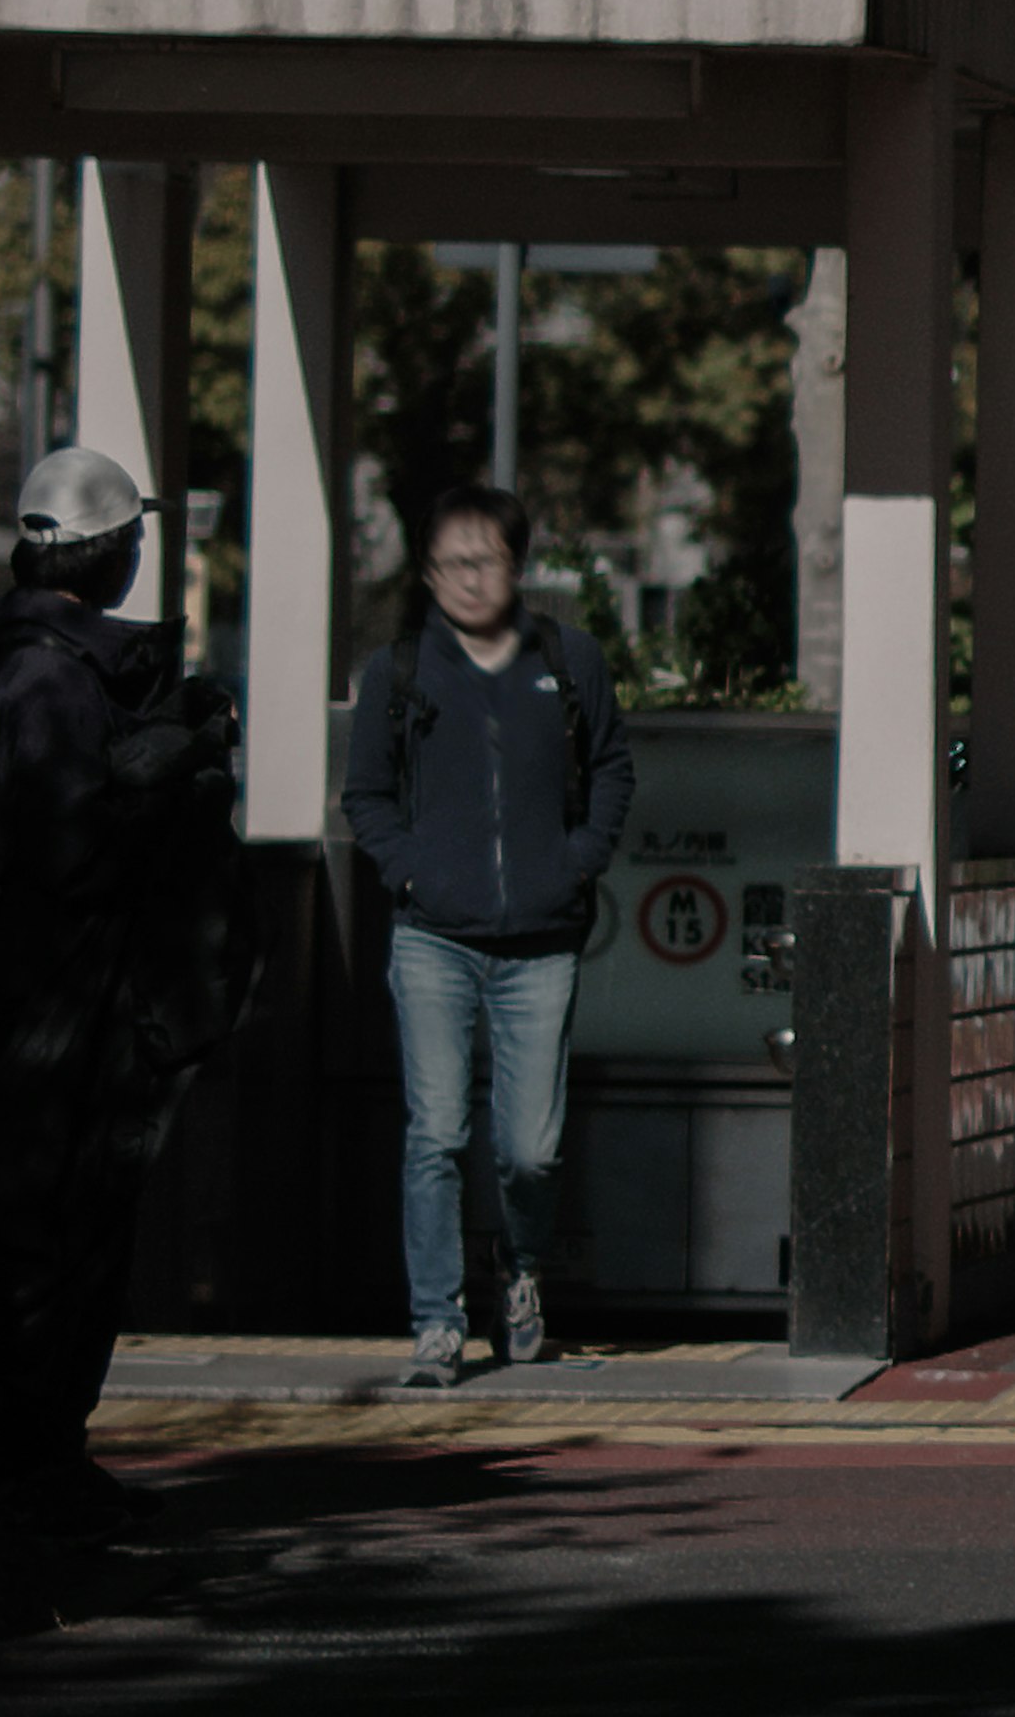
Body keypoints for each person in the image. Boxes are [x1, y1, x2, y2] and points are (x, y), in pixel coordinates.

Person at [0, 446, 246, 1542]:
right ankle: (29, 1463)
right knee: (49, 1236)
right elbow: (75, 849)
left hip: (13, 996)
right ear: (114, 552)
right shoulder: (57, 680)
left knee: (23, 1234)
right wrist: (173, 765)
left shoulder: (1, 662)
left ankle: (26, 1458)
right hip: (62, 1009)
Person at [342, 483, 634, 1390]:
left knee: (529, 1147)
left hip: (543, 939)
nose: (472, 578)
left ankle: (521, 1267)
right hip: (433, 935)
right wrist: (411, 871)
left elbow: (614, 768)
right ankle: (437, 1321)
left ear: (517, 564)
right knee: (435, 1132)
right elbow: (367, 798)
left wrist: (576, 861)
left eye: (489, 559)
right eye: (454, 563)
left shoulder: (569, 659)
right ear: (428, 575)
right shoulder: (397, 672)